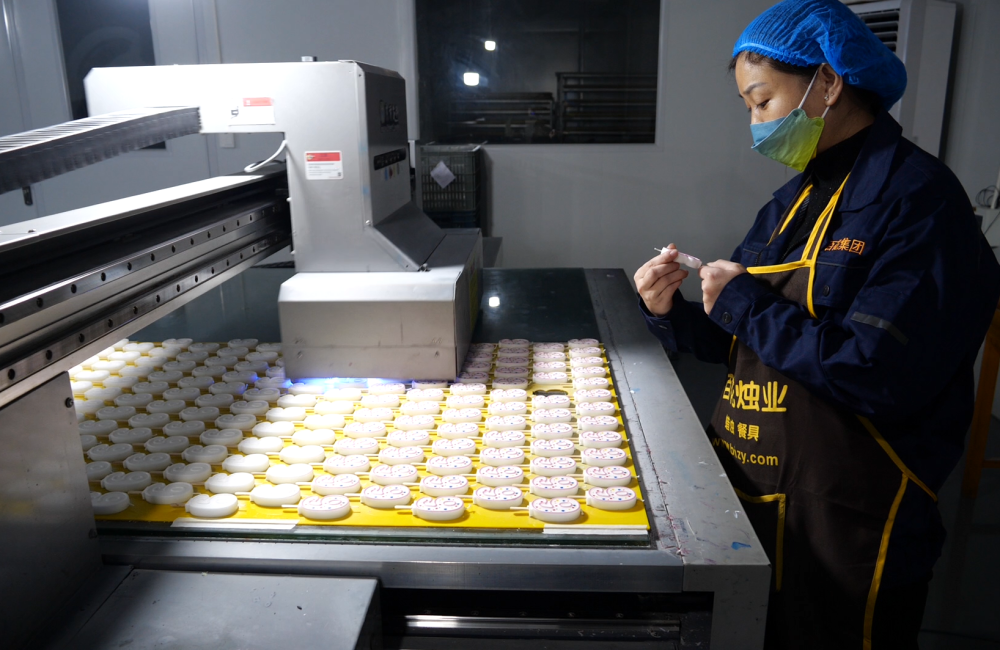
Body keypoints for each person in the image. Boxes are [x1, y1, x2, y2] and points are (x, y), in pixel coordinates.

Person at [634, 0, 1000, 647]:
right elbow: (738, 340)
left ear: (828, 82)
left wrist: (746, 303)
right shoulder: (792, 202)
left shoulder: (919, 203)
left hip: (851, 515)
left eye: (763, 100)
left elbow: (876, 372)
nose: (756, 124)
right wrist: (669, 313)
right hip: (758, 491)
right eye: (749, 106)